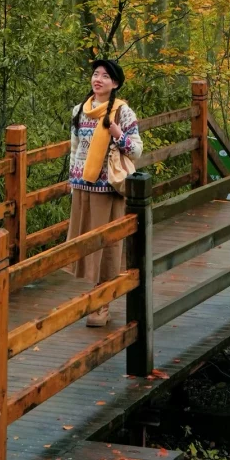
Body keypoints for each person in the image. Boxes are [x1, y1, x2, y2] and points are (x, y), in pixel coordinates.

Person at [66, 59, 143, 327]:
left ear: (116, 83)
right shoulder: (80, 110)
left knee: (106, 246)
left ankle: (103, 303)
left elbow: (136, 150)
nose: (98, 79)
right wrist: (72, 182)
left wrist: (118, 133)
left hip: (106, 188)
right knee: (85, 245)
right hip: (82, 187)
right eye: (95, 74)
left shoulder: (123, 113)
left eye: (105, 76)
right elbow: (74, 149)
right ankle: (94, 297)